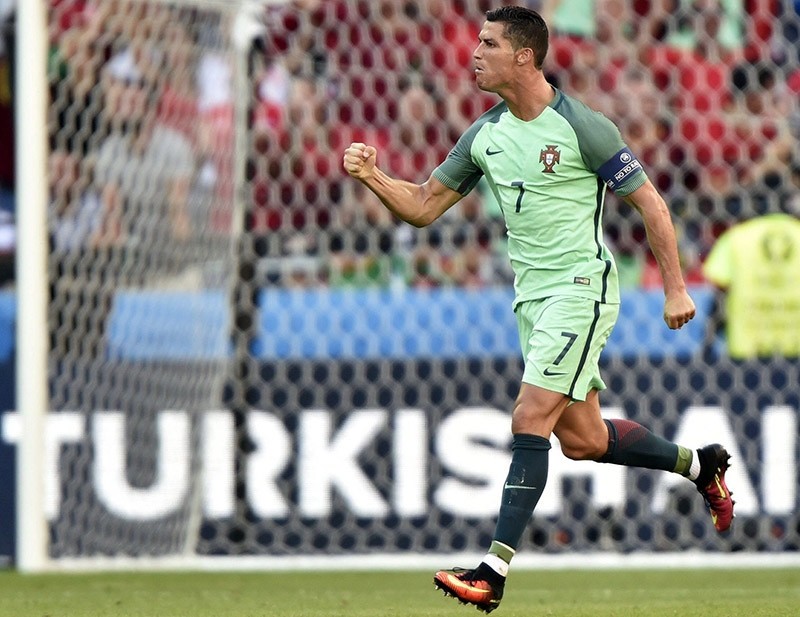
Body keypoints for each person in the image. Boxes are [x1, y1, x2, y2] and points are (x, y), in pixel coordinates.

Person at [342, 6, 734, 613]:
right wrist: (373, 176)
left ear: (523, 56)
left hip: (581, 288)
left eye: (488, 43)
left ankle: (492, 572)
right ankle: (700, 465)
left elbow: (651, 204)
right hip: (531, 299)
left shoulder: (583, 126)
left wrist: (676, 287)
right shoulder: (484, 136)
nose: (474, 53)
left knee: (530, 414)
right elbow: (422, 205)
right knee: (582, 440)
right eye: (476, 40)